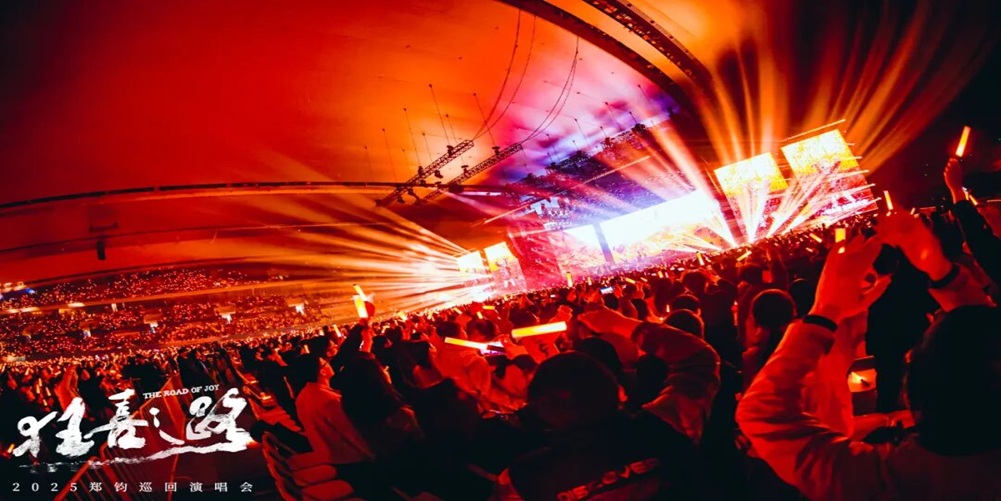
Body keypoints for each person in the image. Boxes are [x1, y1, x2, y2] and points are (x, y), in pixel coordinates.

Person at [737, 213, 1001, 500]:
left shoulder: (881, 481)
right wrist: (942, 271)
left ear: (912, 397)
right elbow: (984, 342)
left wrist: (825, 310)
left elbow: (762, 412)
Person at [495, 305, 720, 499]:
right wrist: (621, 324)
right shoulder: (666, 426)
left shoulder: (525, 479)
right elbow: (699, 359)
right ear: (617, 389)